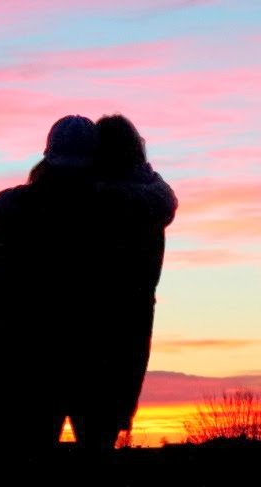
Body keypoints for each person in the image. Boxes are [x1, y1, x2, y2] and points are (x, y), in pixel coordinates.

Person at [0, 113, 176, 450]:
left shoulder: (16, 203)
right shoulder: (129, 209)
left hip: (6, 340)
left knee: (12, 451)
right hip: (71, 347)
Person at [0, 114, 100, 448]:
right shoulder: (98, 213)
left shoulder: (3, 203)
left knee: (1, 449)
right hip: (30, 344)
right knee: (29, 452)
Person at [64, 114, 177, 449]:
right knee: (102, 430)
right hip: (133, 321)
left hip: (81, 317)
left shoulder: (86, 199)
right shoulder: (154, 198)